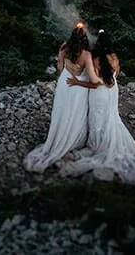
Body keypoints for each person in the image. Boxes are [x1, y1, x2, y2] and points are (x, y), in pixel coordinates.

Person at [61, 29, 135, 183]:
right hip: (112, 92)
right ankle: (106, 143)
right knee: (111, 117)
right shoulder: (115, 58)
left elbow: (94, 84)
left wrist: (78, 82)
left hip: (98, 94)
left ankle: (97, 145)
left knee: (97, 119)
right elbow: (116, 76)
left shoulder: (95, 58)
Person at [23, 23, 94, 172]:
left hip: (64, 82)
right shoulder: (86, 54)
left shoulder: (64, 48)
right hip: (77, 85)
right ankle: (72, 140)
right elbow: (90, 75)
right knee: (75, 113)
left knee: (62, 111)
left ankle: (57, 136)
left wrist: (67, 73)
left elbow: (60, 67)